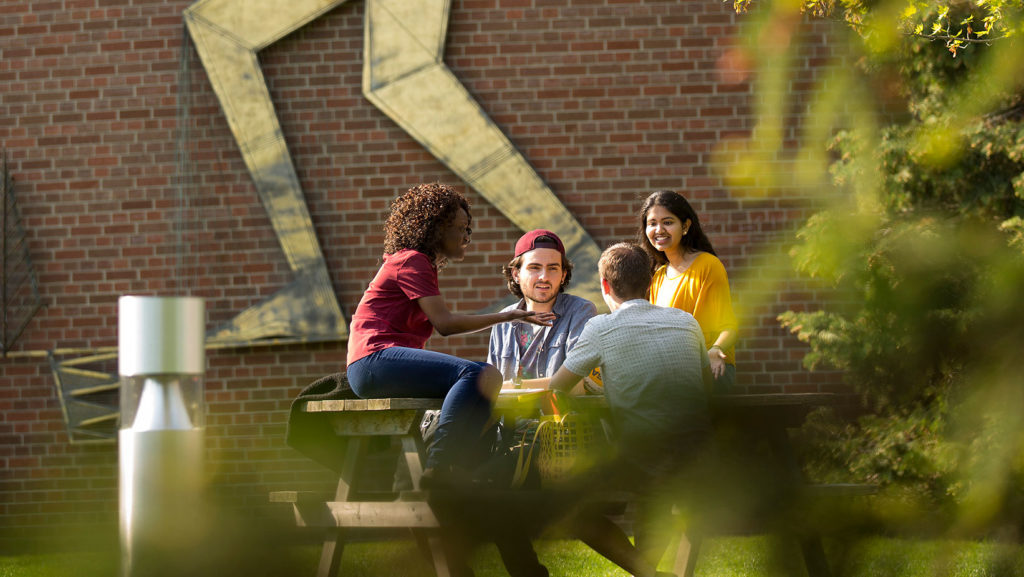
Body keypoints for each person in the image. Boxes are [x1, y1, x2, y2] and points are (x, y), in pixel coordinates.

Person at [345, 182, 554, 483]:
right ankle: (440, 465)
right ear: (437, 227)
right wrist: (507, 316)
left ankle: (461, 468)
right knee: (478, 375)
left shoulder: (419, 263)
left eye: (469, 230)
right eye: (461, 228)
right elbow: (445, 324)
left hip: (376, 365)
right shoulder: (411, 260)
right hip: (374, 360)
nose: (466, 237)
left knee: (482, 385)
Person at [545, 242, 713, 577]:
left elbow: (555, 388)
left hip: (644, 458)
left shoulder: (601, 328)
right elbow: (707, 388)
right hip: (698, 456)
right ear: (650, 284)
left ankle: (648, 574)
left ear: (605, 286)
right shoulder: (687, 321)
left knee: (568, 507)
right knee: (655, 498)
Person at [638, 189, 738, 392]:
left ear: (685, 226)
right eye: (652, 223)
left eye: (667, 222)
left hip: (709, 371)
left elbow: (730, 327)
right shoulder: (658, 277)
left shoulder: (708, 265)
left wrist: (715, 350)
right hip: (671, 376)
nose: (659, 230)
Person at [488, 229, 597, 391]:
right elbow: (490, 388)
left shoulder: (580, 312)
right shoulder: (502, 321)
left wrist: (514, 387)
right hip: (508, 416)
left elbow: (576, 383)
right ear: (516, 274)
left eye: (553, 268)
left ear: (563, 275)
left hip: (561, 416)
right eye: (534, 267)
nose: (544, 276)